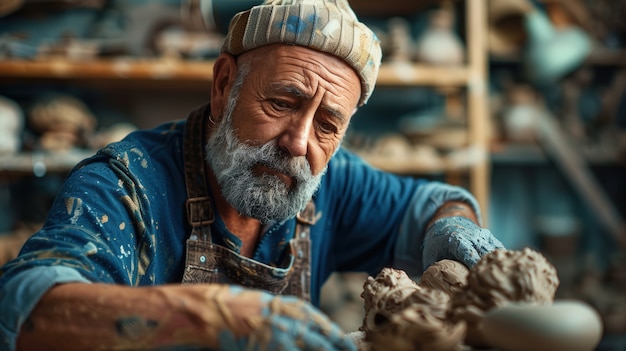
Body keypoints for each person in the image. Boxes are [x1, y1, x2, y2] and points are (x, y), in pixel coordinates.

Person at [0, 0, 505, 350]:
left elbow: (434, 200)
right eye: (283, 102)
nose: (298, 142)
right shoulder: (128, 184)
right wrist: (221, 317)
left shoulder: (332, 182)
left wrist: (453, 225)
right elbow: (29, 312)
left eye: (328, 124)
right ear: (224, 86)